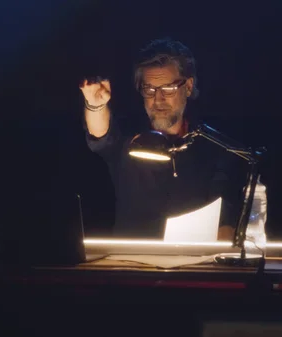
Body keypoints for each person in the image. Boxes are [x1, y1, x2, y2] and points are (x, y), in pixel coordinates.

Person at [80, 38, 246, 239]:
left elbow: (224, 218)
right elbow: (101, 135)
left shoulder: (214, 146)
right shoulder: (129, 140)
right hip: (130, 264)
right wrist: (95, 105)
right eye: (149, 90)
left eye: (168, 89)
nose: (158, 99)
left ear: (188, 86)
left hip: (192, 264)